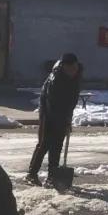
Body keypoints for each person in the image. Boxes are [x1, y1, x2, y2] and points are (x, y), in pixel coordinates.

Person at [26, 53, 82, 186]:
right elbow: (53, 104)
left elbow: (70, 102)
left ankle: (52, 176)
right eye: (70, 69)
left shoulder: (75, 78)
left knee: (57, 147)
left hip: (63, 116)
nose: (73, 71)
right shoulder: (55, 80)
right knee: (44, 144)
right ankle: (31, 175)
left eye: (74, 68)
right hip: (48, 116)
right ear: (63, 67)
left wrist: (67, 120)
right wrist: (60, 123)